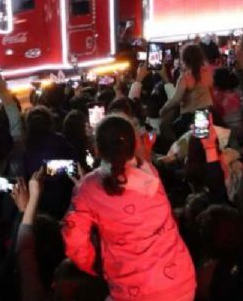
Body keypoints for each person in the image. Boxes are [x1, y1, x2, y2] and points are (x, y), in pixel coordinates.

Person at [63, 115, 196, 301]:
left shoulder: (88, 188)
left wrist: (94, 265)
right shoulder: (150, 174)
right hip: (181, 283)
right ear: (135, 144)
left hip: (133, 291)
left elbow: (74, 239)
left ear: (97, 149)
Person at [162, 44, 214, 135]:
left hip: (190, 116)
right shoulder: (207, 72)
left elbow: (176, 99)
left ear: (184, 59)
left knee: (169, 129)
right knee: (201, 141)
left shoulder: (186, 77)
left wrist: (164, 109)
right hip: (206, 112)